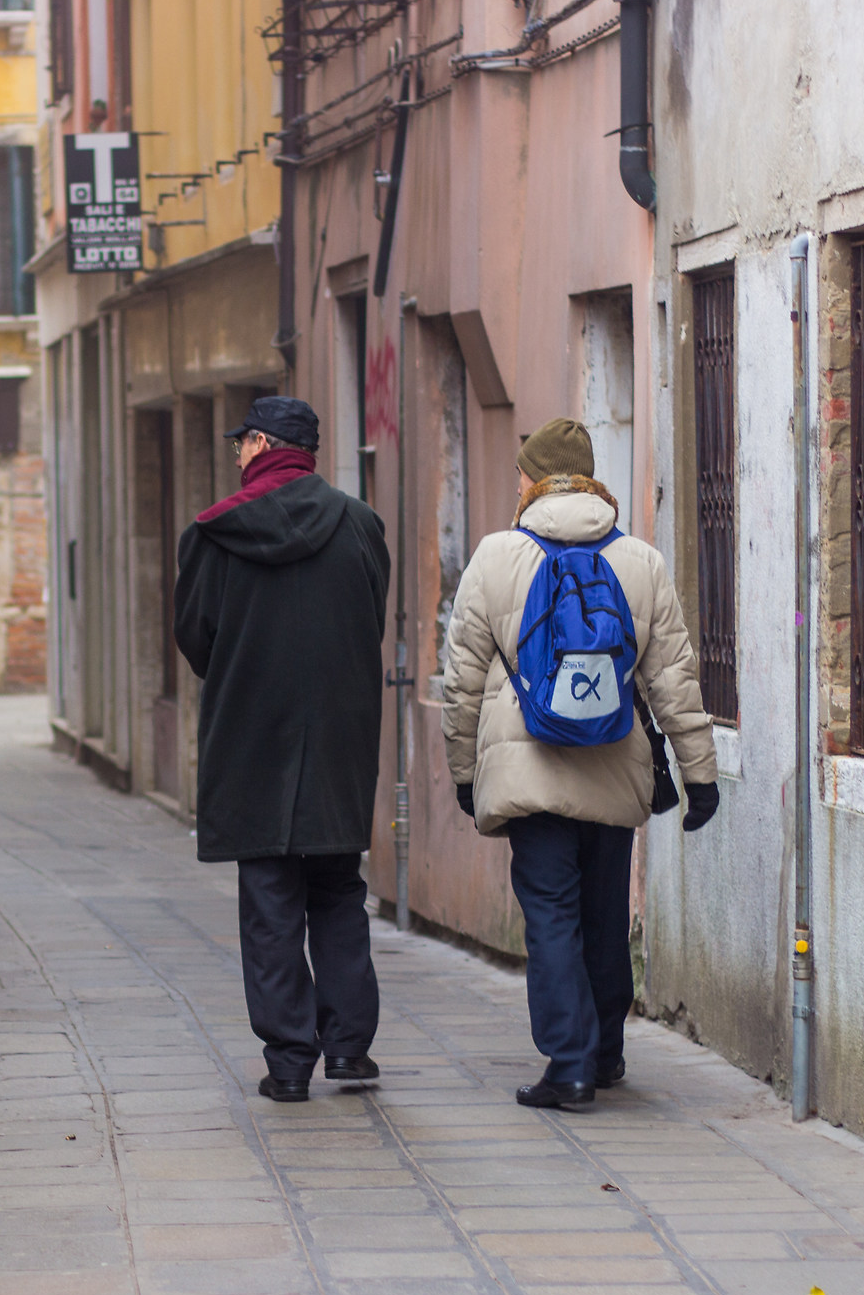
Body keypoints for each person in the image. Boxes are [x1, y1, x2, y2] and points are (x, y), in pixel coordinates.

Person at [441, 418, 718, 1109]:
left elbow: (463, 680)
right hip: (613, 765)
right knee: (603, 912)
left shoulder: (497, 556)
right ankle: (606, 1053)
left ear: (532, 481)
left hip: (527, 772)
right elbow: (674, 680)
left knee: (552, 917)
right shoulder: (639, 561)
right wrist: (700, 775)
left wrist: (463, 772)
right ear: (591, 476)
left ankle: (568, 1064)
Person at [174, 396, 391, 1103]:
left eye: (242, 443)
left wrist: (243, 671)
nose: (236, 454)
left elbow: (196, 636)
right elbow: (371, 619)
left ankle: (290, 1063)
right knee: (337, 893)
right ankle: (351, 1052)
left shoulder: (213, 534)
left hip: (250, 741)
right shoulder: (360, 525)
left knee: (269, 904)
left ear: (262, 444)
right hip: (339, 741)